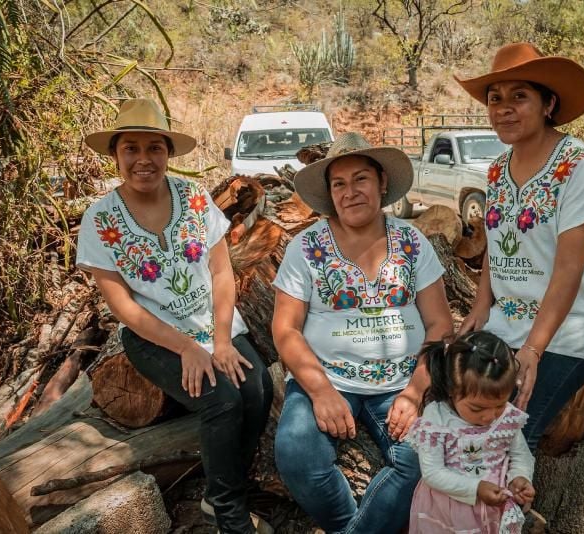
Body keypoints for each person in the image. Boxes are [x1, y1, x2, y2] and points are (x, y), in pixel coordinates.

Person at [75, 98, 273, 534]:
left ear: (168, 153)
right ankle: (229, 513)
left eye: (154, 149)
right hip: (153, 336)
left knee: (257, 388)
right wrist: (187, 348)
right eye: (131, 149)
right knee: (220, 400)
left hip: (212, 322)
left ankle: (219, 492)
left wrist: (220, 342)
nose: (143, 160)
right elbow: (122, 305)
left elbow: (221, 272)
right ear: (116, 154)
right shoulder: (100, 219)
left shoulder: (195, 199)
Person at [271, 132, 454, 533]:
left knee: (425, 460)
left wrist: (415, 391)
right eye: (339, 183)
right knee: (297, 453)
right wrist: (319, 390)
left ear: (382, 183)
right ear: (329, 193)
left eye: (361, 179)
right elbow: (285, 329)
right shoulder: (306, 248)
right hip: (328, 376)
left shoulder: (411, 241)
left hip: (400, 381)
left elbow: (440, 323)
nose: (350, 192)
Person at [455, 42, 584, 452]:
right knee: (462, 407)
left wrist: (533, 348)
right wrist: (481, 305)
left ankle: (511, 513)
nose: (503, 108)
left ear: (549, 104)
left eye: (519, 96)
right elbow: (496, 244)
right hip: (508, 320)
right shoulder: (497, 169)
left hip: (574, 325)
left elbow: (569, 268)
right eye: (495, 98)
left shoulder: (580, 166)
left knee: (510, 428)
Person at [406, 330, 535, 533]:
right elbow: (432, 472)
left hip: (493, 511)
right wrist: (476, 488)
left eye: (500, 405)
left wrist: (519, 477)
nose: (490, 416)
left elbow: (521, 455)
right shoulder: (437, 418)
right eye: (477, 408)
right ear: (451, 390)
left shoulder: (507, 417)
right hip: (446, 512)